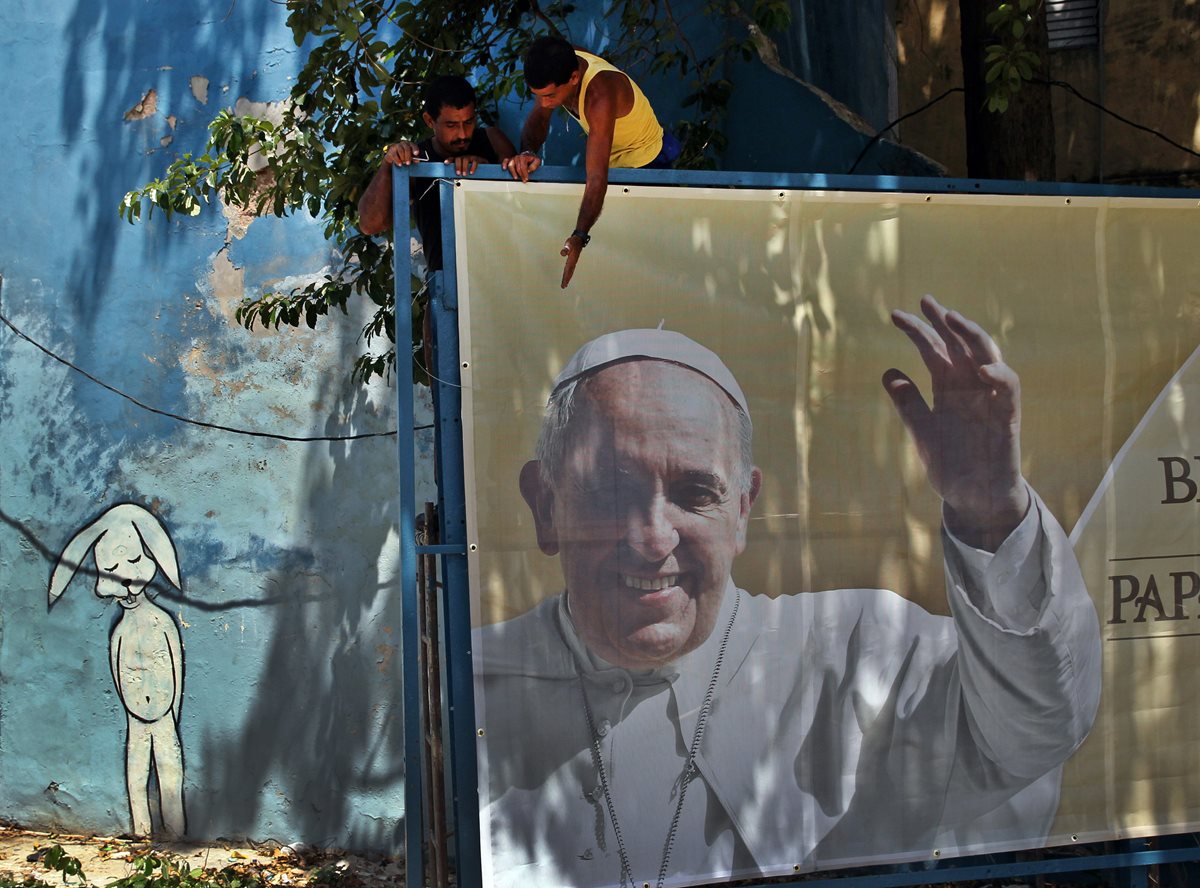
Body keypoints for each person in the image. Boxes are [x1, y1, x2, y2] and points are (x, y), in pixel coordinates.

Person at [475, 296, 1102, 888]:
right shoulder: (469, 686)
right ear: (546, 504)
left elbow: (1040, 726)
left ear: (743, 510)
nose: (652, 538)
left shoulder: (862, 650)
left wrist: (993, 515)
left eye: (696, 494)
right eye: (612, 489)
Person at [502, 36, 679, 288]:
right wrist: (527, 151)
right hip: (614, 162)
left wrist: (579, 236)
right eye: (538, 96)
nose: (544, 103)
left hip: (646, 163)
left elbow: (596, 178)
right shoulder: (561, 63)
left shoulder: (600, 95)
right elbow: (539, 118)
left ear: (574, 78)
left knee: (641, 262)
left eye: (550, 96)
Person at [357, 75, 516, 271]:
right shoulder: (417, 160)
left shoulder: (492, 140)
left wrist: (483, 172)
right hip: (448, 286)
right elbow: (370, 224)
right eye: (451, 125)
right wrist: (388, 165)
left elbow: (520, 201)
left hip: (505, 274)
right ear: (429, 120)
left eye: (468, 122)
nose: (463, 134)